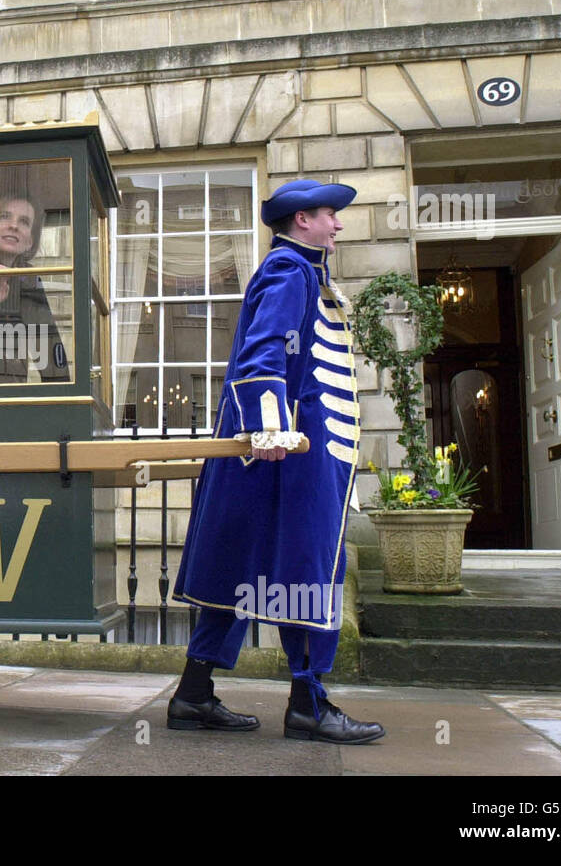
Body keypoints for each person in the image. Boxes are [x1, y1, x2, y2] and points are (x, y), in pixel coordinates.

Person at [168, 179, 384, 745]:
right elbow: (265, 349)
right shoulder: (291, 270)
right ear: (302, 221)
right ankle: (308, 705)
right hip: (291, 454)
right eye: (329, 215)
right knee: (307, 568)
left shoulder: (304, 271)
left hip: (291, 452)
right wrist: (268, 427)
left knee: (243, 567)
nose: (337, 224)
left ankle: (192, 697)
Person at [0, 193, 70, 384]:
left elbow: (48, 347)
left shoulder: (29, 280)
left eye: (24, 222)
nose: (14, 225)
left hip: (14, 396)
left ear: (30, 241)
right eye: (4, 216)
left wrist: (62, 398)